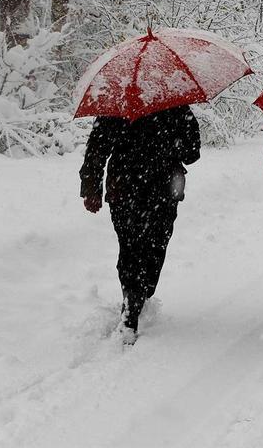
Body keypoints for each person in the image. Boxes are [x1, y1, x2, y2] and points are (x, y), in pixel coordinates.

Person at [80, 104, 200, 345]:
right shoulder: (175, 104)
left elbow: (96, 148)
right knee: (154, 245)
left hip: (124, 187)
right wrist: (173, 145)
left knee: (131, 245)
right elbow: (192, 152)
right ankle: (138, 297)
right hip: (160, 188)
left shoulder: (117, 104)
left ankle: (133, 297)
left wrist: (92, 187)